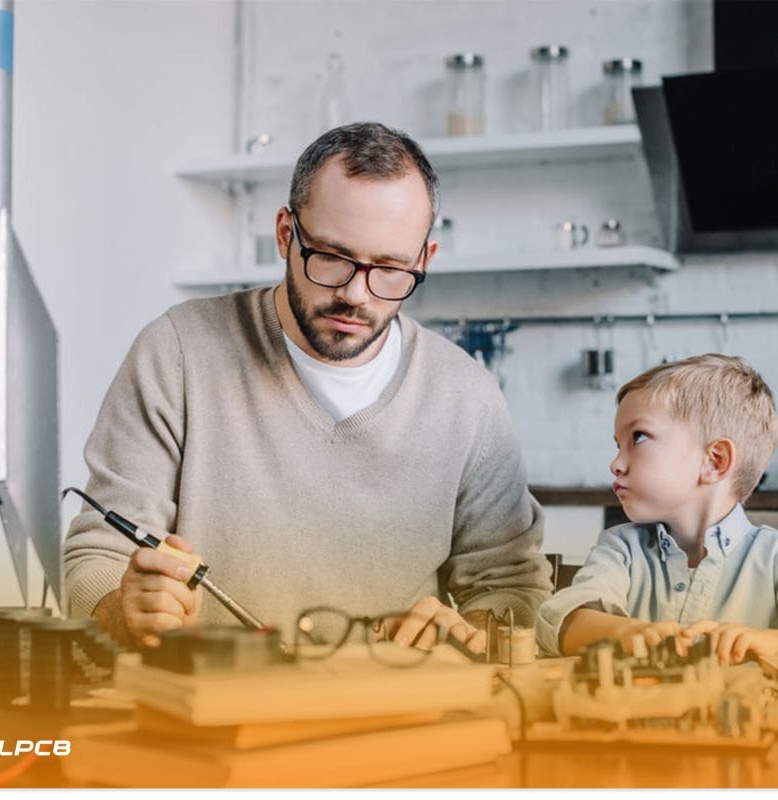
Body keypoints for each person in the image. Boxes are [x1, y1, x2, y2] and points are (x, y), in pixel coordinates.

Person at [64, 122, 551, 651]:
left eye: (389, 269)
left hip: (392, 712)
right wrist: (124, 609)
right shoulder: (178, 353)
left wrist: (469, 632)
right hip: (207, 704)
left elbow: (513, 590)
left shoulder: (466, 396)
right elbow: (99, 558)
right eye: (332, 258)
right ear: (284, 233)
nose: (355, 294)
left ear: (424, 260)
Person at [536, 354, 778, 662]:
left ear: (715, 461)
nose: (615, 464)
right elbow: (562, 622)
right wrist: (629, 635)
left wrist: (764, 642)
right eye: (618, 445)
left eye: (638, 437)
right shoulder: (620, 548)